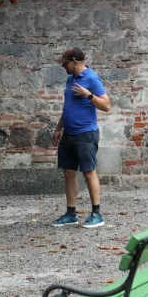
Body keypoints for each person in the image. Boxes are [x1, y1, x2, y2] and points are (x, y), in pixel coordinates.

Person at [51, 47, 111, 228]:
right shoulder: (71, 79)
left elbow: (106, 106)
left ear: (75, 61)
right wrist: (58, 128)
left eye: (65, 63)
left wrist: (89, 95)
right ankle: (71, 214)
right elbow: (68, 107)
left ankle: (97, 214)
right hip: (69, 133)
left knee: (88, 172)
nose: (63, 66)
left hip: (86, 134)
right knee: (69, 173)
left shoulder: (92, 78)